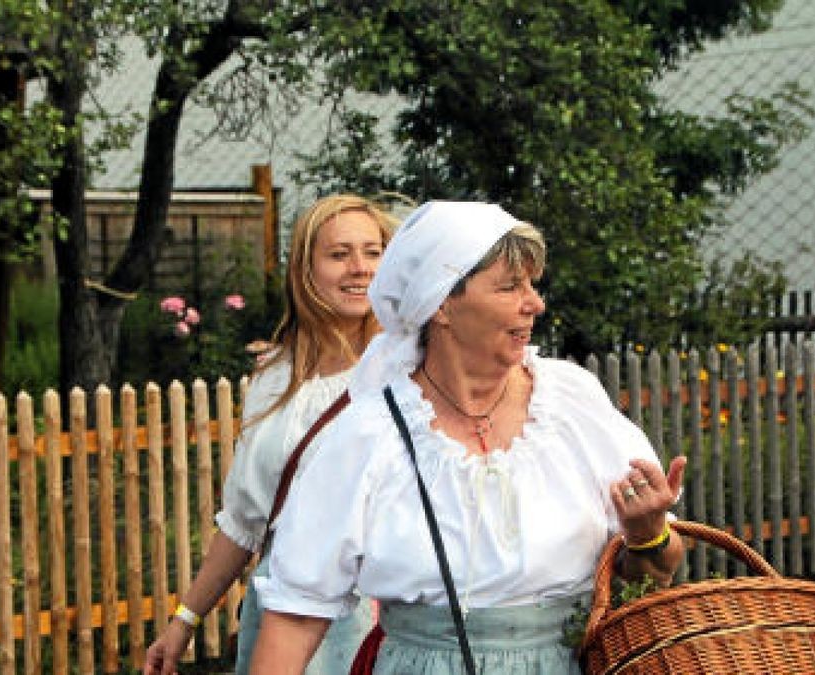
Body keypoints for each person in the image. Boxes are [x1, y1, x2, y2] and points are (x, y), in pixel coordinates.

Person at [249, 201, 687, 674]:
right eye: (509, 286)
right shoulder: (369, 436)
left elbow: (659, 570)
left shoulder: (570, 406)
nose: (534, 303)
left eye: (532, 285)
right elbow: (294, 618)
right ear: (440, 304)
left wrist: (648, 535)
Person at [143, 194, 397, 675]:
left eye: (373, 251)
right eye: (339, 254)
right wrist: (184, 620)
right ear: (305, 269)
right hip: (280, 606)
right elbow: (245, 518)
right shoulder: (276, 375)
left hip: (371, 612)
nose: (360, 268)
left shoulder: (405, 372)